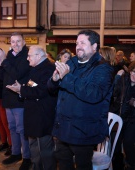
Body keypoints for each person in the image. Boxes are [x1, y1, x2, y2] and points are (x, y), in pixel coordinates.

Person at [48, 29, 114, 170]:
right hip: (63, 129)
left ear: (94, 46)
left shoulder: (103, 68)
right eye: (77, 43)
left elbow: (94, 94)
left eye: (83, 43)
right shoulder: (72, 62)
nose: (78, 46)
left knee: (83, 166)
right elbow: (51, 89)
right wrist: (54, 80)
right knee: (64, 164)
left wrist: (66, 77)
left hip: (84, 132)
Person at [6, 45, 57, 170]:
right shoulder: (35, 68)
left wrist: (21, 90)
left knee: (45, 150)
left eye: (29, 56)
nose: (27, 59)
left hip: (42, 115)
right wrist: (21, 89)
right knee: (34, 147)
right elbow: (31, 86)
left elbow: (42, 91)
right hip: (32, 114)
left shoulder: (48, 69)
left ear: (38, 56)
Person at [0, 32, 32, 169]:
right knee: (12, 128)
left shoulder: (26, 56)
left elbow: (17, 74)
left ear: (23, 42)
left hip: (19, 98)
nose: (15, 44)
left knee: (22, 130)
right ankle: (16, 153)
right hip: (8, 97)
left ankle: (27, 157)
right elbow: (2, 76)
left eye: (18, 41)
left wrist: (4, 61)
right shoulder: (10, 55)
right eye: (13, 42)